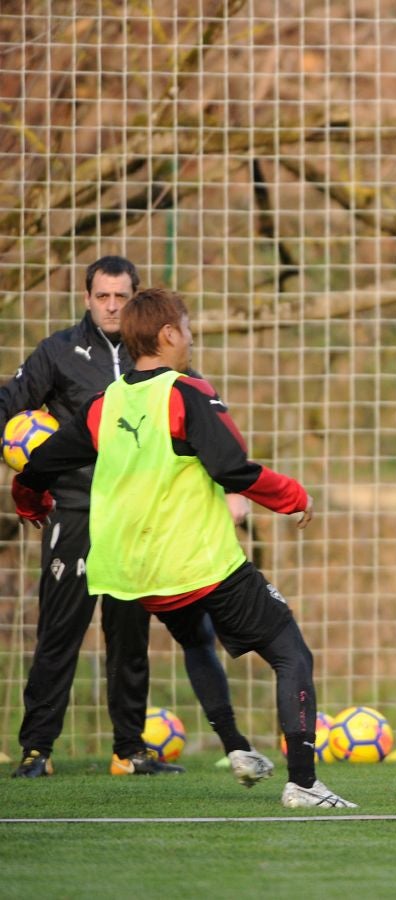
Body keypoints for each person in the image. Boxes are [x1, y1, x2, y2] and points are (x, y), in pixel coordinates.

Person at [11, 286, 355, 809]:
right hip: (199, 564)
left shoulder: (106, 405)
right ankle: (304, 783)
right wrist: (293, 496)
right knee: (291, 654)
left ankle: (238, 748)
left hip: (135, 575)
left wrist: (27, 495)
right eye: (187, 328)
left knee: (198, 640)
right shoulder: (185, 393)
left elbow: (42, 461)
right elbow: (231, 468)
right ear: (169, 334)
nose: (189, 337)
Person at [3, 256, 251, 780]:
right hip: (76, 513)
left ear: (135, 298)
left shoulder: (163, 363)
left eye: (121, 296)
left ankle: (130, 750)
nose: (112, 306)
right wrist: (29, 471)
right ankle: (37, 750)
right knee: (59, 633)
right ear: (87, 298)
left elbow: (207, 426)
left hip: (138, 523)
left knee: (130, 635)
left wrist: (231, 490)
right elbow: (10, 405)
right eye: (102, 296)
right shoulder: (58, 352)